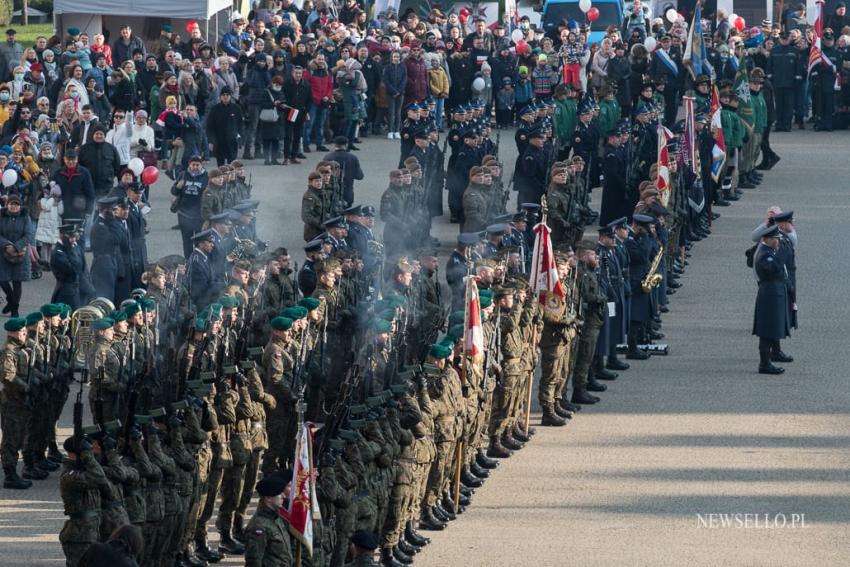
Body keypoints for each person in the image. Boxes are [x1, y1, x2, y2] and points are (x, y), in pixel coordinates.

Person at [752, 224, 792, 374]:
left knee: (773, 326)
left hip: (774, 293)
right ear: (768, 239)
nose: (778, 241)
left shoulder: (769, 250)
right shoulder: (764, 253)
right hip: (769, 295)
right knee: (767, 330)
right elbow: (773, 268)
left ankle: (772, 355)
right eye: (776, 239)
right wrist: (782, 254)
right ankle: (764, 363)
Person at [244, 472, 293, 567]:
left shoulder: (276, 518)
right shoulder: (258, 527)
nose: (283, 496)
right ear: (268, 498)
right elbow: (253, 562)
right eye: (279, 493)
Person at [0, 195, 33, 317]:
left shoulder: (25, 217)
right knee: (2, 280)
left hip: (20, 254)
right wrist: (7, 245)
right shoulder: (1, 216)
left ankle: (14, 308)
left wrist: (16, 247)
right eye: (11, 204)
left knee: (17, 282)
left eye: (16, 204)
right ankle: (10, 299)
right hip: (3, 253)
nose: (14, 206)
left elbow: (28, 235)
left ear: (20, 206)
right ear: (7, 204)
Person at [205, 87, 243, 165]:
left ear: (230, 96)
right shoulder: (215, 109)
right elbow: (209, 126)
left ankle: (231, 177)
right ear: (220, 97)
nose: (225, 96)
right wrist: (211, 140)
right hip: (219, 141)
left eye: (227, 95)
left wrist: (240, 138)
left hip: (232, 141)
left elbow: (240, 124)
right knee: (220, 166)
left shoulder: (236, 108)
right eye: (223, 95)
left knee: (232, 165)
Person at [323, 136, 364, 206]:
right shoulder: (352, 158)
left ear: (335, 145)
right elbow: (360, 176)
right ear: (346, 145)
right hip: (347, 195)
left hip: (330, 195)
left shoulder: (327, 157)